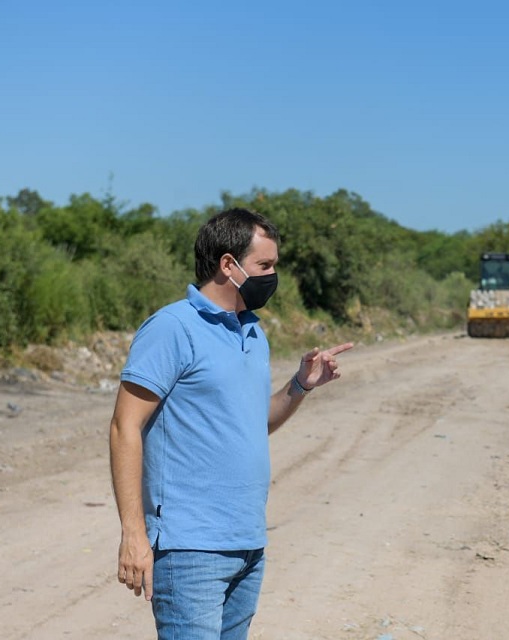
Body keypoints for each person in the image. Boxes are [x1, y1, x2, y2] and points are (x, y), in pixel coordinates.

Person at [109, 207, 353, 639]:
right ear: (228, 265)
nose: (273, 275)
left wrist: (300, 385)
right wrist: (134, 533)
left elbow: (252, 424)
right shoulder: (172, 328)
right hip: (190, 548)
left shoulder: (253, 332)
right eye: (265, 265)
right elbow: (124, 427)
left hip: (247, 542)